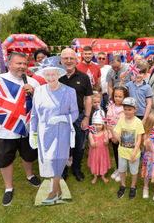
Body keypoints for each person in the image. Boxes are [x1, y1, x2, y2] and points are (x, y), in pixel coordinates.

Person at [0, 52, 41, 206]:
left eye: (24, 64)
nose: (22, 67)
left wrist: (34, 93)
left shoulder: (33, 82)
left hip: (27, 128)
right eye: (19, 63)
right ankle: (8, 187)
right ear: (9, 64)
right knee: (5, 160)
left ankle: (30, 176)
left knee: (29, 156)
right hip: (3, 131)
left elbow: (41, 106)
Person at [30, 66, 78, 203]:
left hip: (61, 132)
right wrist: (33, 133)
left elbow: (75, 113)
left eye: (53, 74)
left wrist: (62, 118)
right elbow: (34, 114)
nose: (50, 78)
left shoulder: (69, 91)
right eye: (47, 75)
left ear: (58, 74)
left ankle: (53, 193)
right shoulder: (38, 91)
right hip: (44, 133)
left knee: (57, 160)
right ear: (43, 76)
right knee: (48, 161)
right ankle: (58, 190)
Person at [59, 48, 93, 181]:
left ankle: (76, 169)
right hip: (61, 119)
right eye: (65, 58)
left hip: (79, 117)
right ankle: (63, 170)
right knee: (63, 146)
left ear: (76, 60)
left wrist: (87, 117)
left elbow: (89, 98)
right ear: (61, 61)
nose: (68, 61)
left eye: (71, 58)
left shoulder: (84, 77)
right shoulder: (56, 77)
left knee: (79, 145)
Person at [108, 97, 144, 200]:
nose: (127, 112)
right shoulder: (121, 120)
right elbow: (118, 138)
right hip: (122, 152)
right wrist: (111, 129)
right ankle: (123, 185)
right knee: (122, 170)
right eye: (125, 109)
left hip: (133, 153)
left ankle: (133, 186)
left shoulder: (138, 122)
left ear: (135, 110)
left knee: (133, 171)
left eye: (130, 109)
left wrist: (134, 153)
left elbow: (139, 140)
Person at [107, 87, 129, 182]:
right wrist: (111, 136)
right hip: (113, 135)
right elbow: (108, 122)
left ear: (125, 97)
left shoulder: (126, 109)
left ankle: (123, 170)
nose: (117, 98)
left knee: (122, 154)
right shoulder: (110, 107)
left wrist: (118, 137)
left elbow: (127, 124)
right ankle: (118, 168)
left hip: (122, 137)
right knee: (116, 153)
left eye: (120, 96)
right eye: (116, 96)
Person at [120, 60, 152, 124]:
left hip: (141, 115)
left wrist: (145, 118)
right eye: (136, 73)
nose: (138, 75)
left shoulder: (147, 87)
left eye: (140, 73)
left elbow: (149, 104)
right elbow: (119, 91)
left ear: (144, 74)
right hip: (131, 113)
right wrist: (121, 80)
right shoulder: (129, 84)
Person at [87, 110, 110, 184]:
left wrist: (106, 141)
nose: (97, 126)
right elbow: (91, 142)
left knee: (102, 162)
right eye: (95, 124)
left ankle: (103, 175)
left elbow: (107, 142)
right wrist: (93, 143)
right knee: (95, 162)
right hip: (94, 153)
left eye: (99, 124)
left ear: (103, 125)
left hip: (103, 153)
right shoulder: (91, 133)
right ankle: (95, 176)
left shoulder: (105, 132)